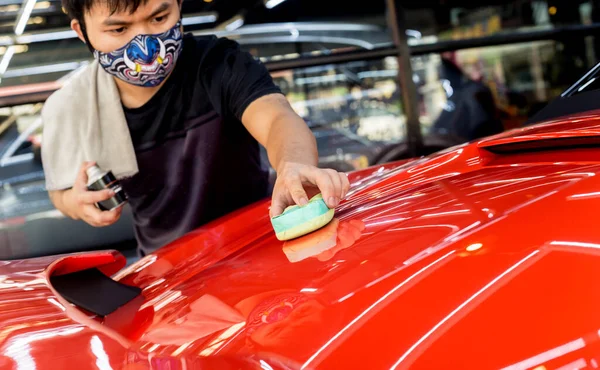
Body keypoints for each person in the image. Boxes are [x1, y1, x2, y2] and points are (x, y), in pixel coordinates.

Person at [43, 0, 350, 255]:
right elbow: (61, 192)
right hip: (168, 273)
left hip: (260, 243)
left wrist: (293, 163)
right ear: (81, 31)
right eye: (119, 28)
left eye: (159, 17)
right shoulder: (71, 106)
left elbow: (276, 118)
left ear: (178, 6)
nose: (146, 45)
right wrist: (77, 203)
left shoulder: (219, 64)